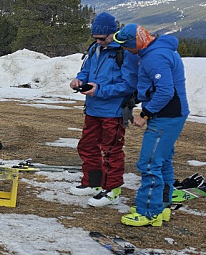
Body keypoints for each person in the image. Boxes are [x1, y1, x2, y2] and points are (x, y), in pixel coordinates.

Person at [115, 24, 189, 226]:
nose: (125, 50)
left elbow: (165, 92)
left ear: (135, 43)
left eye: (126, 46)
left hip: (166, 116)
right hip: (172, 114)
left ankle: (148, 212)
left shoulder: (154, 57)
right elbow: (154, 87)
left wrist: (145, 114)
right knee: (163, 161)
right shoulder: (156, 50)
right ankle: (161, 207)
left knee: (149, 163)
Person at [69, 12, 139, 207]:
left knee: (111, 151)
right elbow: (86, 70)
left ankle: (112, 189)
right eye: (96, 38)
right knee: (87, 146)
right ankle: (94, 183)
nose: (99, 41)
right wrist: (79, 80)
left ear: (112, 33)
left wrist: (99, 90)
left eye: (102, 38)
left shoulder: (124, 53)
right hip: (93, 109)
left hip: (114, 112)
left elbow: (128, 85)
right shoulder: (95, 49)